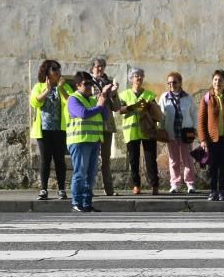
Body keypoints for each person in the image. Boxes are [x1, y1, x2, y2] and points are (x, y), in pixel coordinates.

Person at [66, 71, 116, 212]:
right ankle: (77, 202)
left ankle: (87, 203)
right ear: (77, 85)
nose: (89, 87)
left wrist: (104, 97)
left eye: (91, 84)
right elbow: (83, 114)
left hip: (94, 141)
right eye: (86, 84)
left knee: (91, 175)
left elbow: (105, 116)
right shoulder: (73, 99)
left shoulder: (94, 100)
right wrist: (99, 106)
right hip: (79, 141)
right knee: (80, 173)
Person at [29, 59, 72, 201]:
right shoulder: (39, 86)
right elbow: (34, 102)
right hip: (43, 130)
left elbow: (71, 102)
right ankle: (43, 189)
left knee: (60, 159)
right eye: (55, 70)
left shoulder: (64, 86)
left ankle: (61, 189)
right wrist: (47, 91)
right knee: (45, 159)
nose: (58, 72)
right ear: (47, 72)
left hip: (60, 129)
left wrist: (61, 89)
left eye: (59, 69)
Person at [198, 69, 224, 201]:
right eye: (215, 80)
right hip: (212, 139)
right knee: (213, 166)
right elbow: (201, 121)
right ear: (212, 81)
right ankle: (213, 191)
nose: (218, 82)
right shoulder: (206, 98)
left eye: (220, 80)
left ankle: (222, 191)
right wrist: (203, 140)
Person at [120, 67, 161, 195]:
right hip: (131, 131)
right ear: (131, 79)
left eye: (141, 76)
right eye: (136, 76)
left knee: (151, 159)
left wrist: (149, 106)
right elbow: (119, 110)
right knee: (133, 160)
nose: (139, 78)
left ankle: (154, 185)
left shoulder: (149, 94)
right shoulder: (124, 94)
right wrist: (133, 107)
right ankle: (136, 185)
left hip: (147, 130)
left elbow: (156, 111)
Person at [159, 71, 198, 194]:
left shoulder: (188, 97)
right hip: (171, 134)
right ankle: (175, 184)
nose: (172, 85)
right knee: (173, 160)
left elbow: (194, 115)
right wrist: (160, 129)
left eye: (174, 82)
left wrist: (195, 129)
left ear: (180, 83)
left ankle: (190, 184)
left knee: (188, 160)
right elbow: (161, 116)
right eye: (169, 83)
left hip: (186, 134)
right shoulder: (164, 97)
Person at [89, 58, 122, 196]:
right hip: (92, 125)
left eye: (102, 66)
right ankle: (88, 189)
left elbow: (117, 107)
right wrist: (104, 92)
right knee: (91, 158)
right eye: (97, 67)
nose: (100, 69)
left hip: (107, 126)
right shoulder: (87, 82)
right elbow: (91, 102)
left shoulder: (108, 83)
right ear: (92, 68)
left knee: (106, 159)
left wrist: (113, 94)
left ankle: (109, 190)